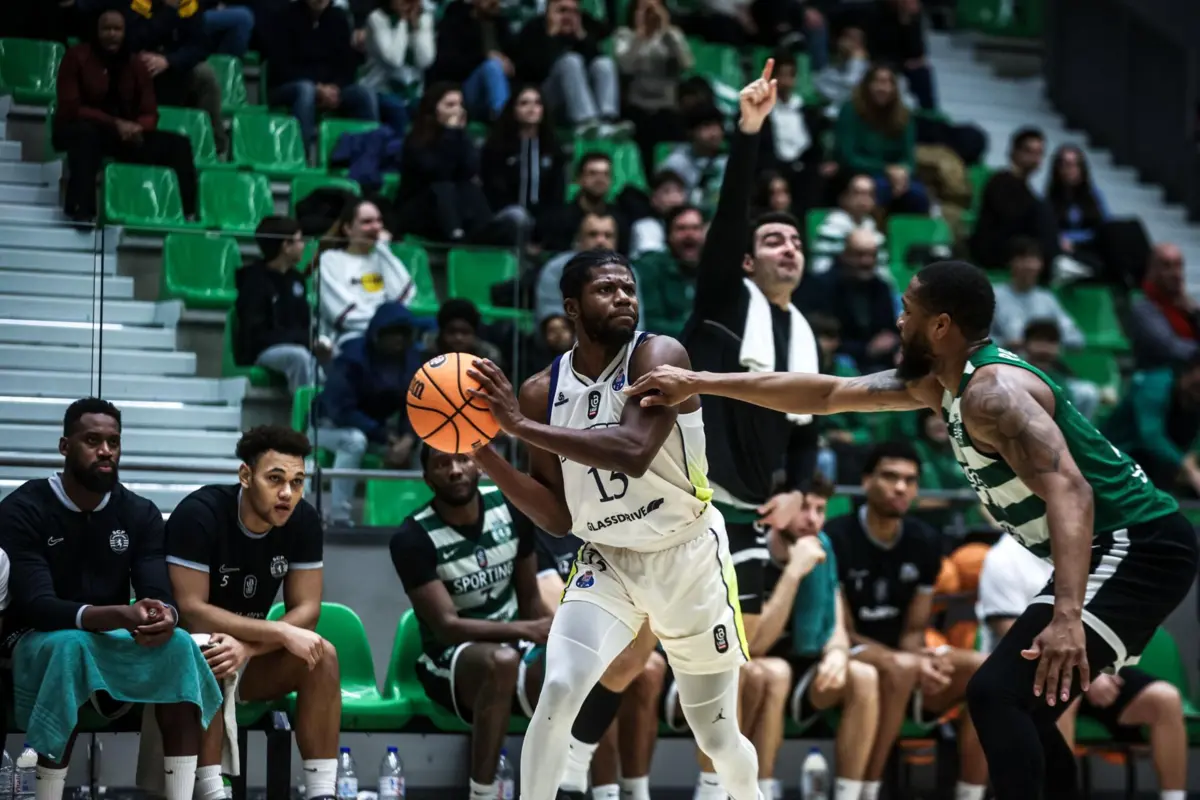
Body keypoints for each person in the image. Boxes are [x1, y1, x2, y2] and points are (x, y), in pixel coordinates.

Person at [625, 258, 1200, 799]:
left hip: (1140, 545)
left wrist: (1068, 616)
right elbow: (826, 393)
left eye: (908, 310)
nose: (899, 321)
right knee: (1020, 704)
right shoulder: (941, 383)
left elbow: (1071, 492)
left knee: (997, 695)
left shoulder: (992, 396)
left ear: (941, 325)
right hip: (1116, 547)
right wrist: (700, 382)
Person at [0, 398, 222, 800]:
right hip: (33, 636)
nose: (105, 451)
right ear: (64, 446)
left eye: (113, 442)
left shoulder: (139, 512)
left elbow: (158, 592)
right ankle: (46, 794)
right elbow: (38, 606)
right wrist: (120, 615)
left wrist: (165, 616)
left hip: (108, 637)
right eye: (92, 441)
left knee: (179, 645)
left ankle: (183, 794)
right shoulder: (23, 508)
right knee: (69, 647)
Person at [166, 426, 339, 800]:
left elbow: (308, 609)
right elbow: (191, 609)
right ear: (245, 476)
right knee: (210, 650)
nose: (287, 493)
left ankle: (323, 792)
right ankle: (212, 791)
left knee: (321, 654)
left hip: (248, 657)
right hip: (186, 658)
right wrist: (277, 633)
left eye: (297, 482)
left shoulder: (303, 520)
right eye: (275, 479)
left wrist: (249, 647)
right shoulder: (200, 514)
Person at [822, 442, 987, 800]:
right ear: (866, 481)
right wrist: (909, 661)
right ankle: (866, 791)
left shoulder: (924, 541)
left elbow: (913, 630)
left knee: (984, 669)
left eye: (910, 480)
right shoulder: (836, 537)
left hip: (902, 657)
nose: (900, 487)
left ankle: (970, 794)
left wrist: (925, 657)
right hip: (846, 653)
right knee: (900, 667)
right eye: (890, 477)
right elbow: (845, 633)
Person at [389, 448, 552, 800]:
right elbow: (447, 627)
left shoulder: (512, 508)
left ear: (478, 465)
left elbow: (530, 600)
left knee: (578, 668)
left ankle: (570, 788)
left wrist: (556, 639)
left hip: (514, 646)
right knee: (502, 662)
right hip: (448, 659)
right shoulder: (412, 537)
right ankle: (481, 793)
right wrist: (527, 630)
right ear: (427, 478)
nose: (455, 470)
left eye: (462, 459)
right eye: (441, 464)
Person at [977, 534, 1188, 800]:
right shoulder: (1003, 558)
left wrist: (1095, 668)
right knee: (1061, 693)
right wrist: (1086, 673)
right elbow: (1009, 632)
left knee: (1165, 699)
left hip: (1094, 661)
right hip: (1034, 670)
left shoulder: (1096, 544)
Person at [750, 475, 879, 800]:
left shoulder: (823, 546)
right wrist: (793, 572)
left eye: (820, 510)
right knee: (775, 671)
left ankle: (850, 795)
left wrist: (837, 652)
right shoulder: (752, 550)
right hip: (753, 669)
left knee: (863, 676)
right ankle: (762, 791)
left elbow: (836, 623)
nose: (813, 519)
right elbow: (755, 645)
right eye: (803, 508)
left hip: (803, 667)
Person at [533, 529, 666, 800]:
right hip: (559, 638)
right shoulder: (543, 527)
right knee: (601, 662)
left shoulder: (620, 526)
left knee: (647, 668)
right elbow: (557, 604)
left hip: (626, 631)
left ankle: (634, 792)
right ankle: (601, 789)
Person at [53, 8, 198, 223]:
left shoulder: (135, 63)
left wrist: (139, 127)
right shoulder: (76, 57)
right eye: (106, 29)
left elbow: (149, 111)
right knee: (86, 136)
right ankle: (81, 211)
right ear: (96, 31)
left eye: (117, 29)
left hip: (124, 134)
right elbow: (71, 108)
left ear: (124, 32)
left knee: (179, 145)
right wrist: (115, 123)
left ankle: (187, 214)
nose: (112, 34)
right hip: (80, 128)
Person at [234, 216, 327, 394]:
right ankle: (305, 410)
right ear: (286, 246)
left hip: (298, 344)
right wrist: (302, 340)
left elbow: (304, 322)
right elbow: (256, 333)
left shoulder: (297, 279)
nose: (303, 246)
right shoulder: (253, 282)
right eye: (299, 240)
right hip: (264, 350)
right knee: (299, 358)